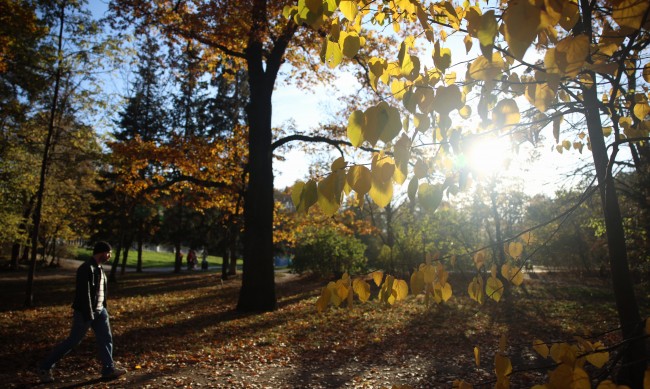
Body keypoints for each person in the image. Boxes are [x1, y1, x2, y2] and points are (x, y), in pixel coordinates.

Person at [37, 241, 127, 383]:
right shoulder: (86, 268)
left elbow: (100, 291)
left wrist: (104, 309)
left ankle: (108, 370)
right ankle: (45, 367)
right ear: (102, 252)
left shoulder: (100, 268)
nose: (110, 256)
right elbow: (83, 294)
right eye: (108, 253)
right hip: (85, 312)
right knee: (73, 341)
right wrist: (89, 313)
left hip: (100, 312)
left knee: (106, 339)